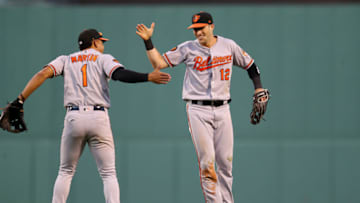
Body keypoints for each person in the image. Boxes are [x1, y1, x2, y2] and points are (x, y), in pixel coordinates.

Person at [10, 29, 171, 203]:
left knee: (65, 171)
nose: (103, 45)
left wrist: (20, 100)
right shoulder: (103, 58)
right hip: (98, 117)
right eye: (101, 41)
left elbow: (42, 74)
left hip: (73, 117)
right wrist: (147, 76)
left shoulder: (66, 59)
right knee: (108, 173)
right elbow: (119, 74)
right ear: (94, 42)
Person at [136, 12, 268, 203]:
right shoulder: (187, 48)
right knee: (207, 164)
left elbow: (251, 65)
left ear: (211, 26)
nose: (198, 32)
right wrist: (148, 41)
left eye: (201, 28)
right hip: (198, 110)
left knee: (226, 164)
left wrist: (259, 88)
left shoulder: (228, 45)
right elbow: (158, 63)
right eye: (195, 29)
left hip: (223, 109)